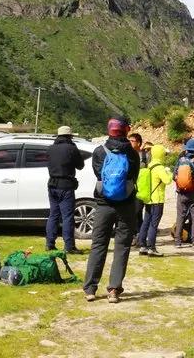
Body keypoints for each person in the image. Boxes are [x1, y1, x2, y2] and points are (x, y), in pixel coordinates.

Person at [84, 116, 140, 304]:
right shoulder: (132, 154)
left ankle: (90, 289)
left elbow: (98, 174)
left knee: (98, 245)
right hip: (126, 205)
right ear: (125, 131)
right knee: (121, 247)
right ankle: (114, 290)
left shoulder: (100, 151)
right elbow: (134, 176)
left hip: (103, 204)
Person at [46, 125, 85, 253]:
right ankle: (69, 246)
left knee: (53, 215)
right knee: (67, 217)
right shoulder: (71, 148)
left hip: (52, 184)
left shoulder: (50, 149)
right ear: (70, 136)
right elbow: (80, 165)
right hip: (66, 185)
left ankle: (50, 243)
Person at [137, 144, 173, 257]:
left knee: (146, 222)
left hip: (148, 199)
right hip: (157, 199)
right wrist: (170, 172)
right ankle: (151, 248)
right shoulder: (160, 168)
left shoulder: (149, 165)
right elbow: (167, 181)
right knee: (154, 224)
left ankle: (142, 245)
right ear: (161, 154)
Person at [174, 138, 194, 248]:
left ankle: (178, 241)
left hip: (182, 193)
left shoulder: (181, 160)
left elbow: (175, 176)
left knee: (180, 216)